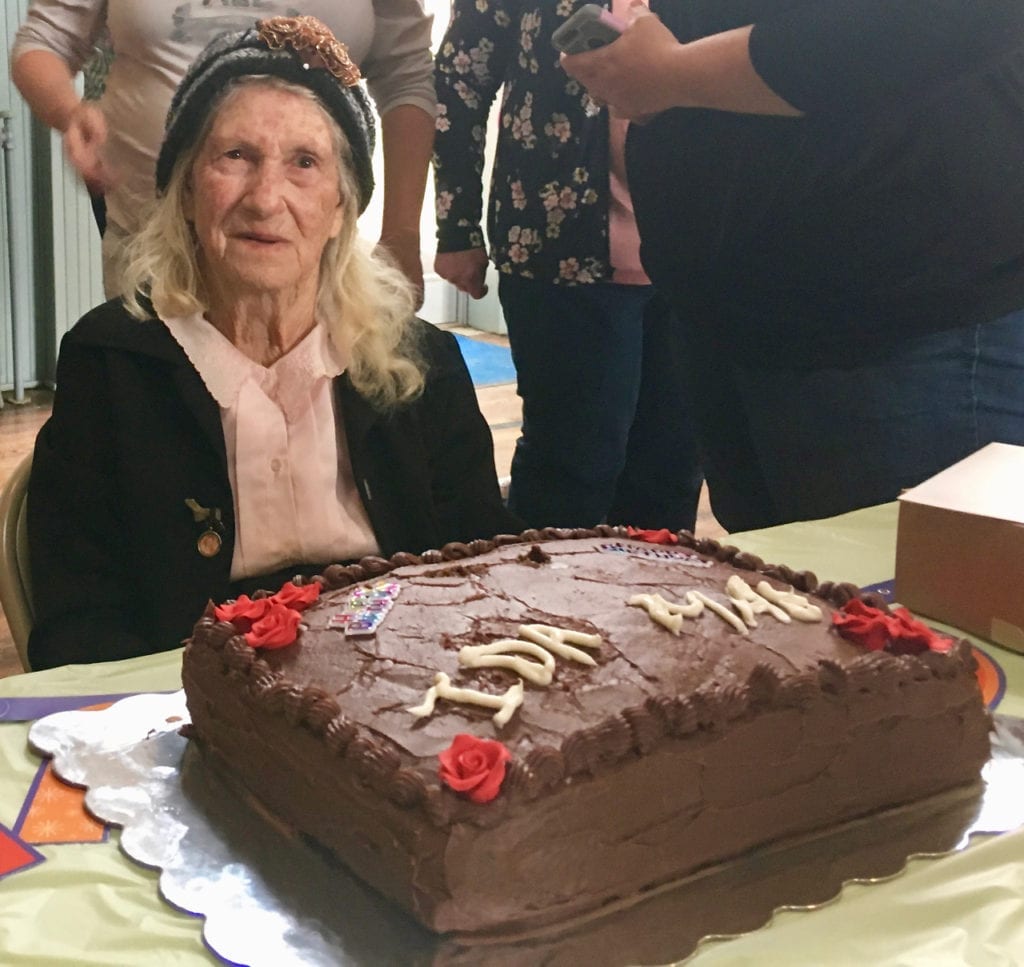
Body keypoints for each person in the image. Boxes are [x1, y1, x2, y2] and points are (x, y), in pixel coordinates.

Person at [26, 16, 518, 672]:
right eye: (236, 156)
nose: (266, 199)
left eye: (304, 163)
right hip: (183, 711)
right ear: (190, 192)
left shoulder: (420, 365)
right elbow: (79, 626)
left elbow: (480, 583)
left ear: (343, 205)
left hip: (398, 699)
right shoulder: (111, 362)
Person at [561, 0, 1024, 533]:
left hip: (898, 315)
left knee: (905, 602)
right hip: (734, 317)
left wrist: (670, 73)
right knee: (785, 601)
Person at [433, 0, 703, 532]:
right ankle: (539, 610)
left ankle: (658, 608)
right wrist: (457, 227)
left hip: (694, 248)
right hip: (559, 249)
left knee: (673, 474)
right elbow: (459, 80)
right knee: (573, 471)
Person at [10, 0, 435, 299]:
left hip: (306, 250)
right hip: (147, 235)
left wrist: (402, 233)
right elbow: (43, 41)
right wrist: (69, 112)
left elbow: (407, 78)